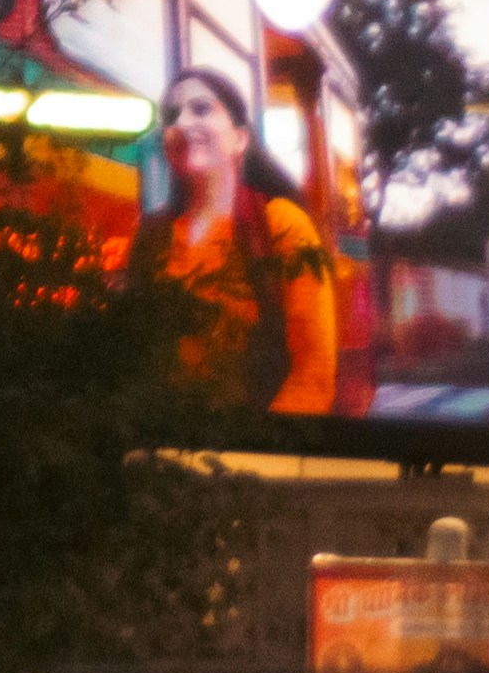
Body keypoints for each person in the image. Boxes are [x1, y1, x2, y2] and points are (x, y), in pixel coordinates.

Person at [127, 61, 350, 413]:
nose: (182, 124)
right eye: (171, 116)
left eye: (201, 109)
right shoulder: (153, 237)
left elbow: (313, 374)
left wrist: (254, 452)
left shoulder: (281, 225)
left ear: (240, 138)